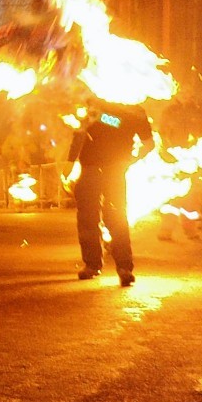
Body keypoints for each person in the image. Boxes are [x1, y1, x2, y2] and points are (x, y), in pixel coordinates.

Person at [65, 99, 155, 287]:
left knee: (116, 216)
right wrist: (70, 162)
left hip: (114, 169)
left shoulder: (134, 110)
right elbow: (81, 132)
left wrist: (131, 160)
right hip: (90, 167)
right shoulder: (94, 101)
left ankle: (124, 268)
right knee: (87, 217)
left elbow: (148, 143)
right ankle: (92, 264)